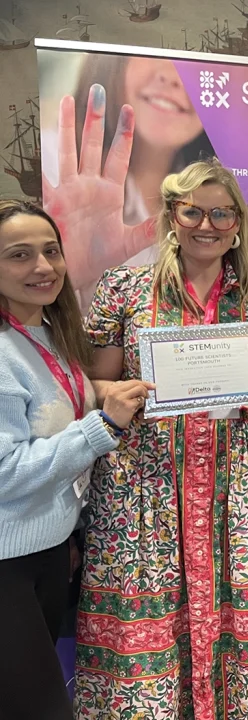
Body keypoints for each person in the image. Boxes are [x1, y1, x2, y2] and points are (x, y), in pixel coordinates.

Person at [73, 159, 248, 720]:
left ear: (238, 223)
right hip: (145, 492)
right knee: (145, 638)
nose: (207, 225)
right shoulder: (125, 289)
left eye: (221, 213)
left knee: (239, 635)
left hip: (235, 492)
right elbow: (93, 383)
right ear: (173, 215)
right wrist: (118, 394)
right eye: (193, 211)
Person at [0, 199, 152, 720]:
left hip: (45, 552)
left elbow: (61, 400)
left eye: (51, 251)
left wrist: (107, 392)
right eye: (19, 255)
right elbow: (6, 472)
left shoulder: (47, 332)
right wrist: (102, 426)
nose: (42, 267)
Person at [41, 55, 248, 304]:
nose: (172, 77)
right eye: (156, 54)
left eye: (196, 68)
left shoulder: (236, 203)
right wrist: (67, 277)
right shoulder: (51, 170)